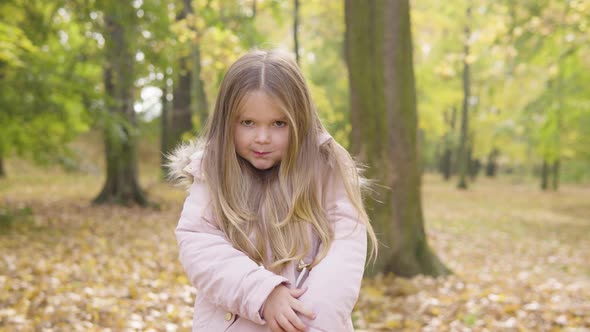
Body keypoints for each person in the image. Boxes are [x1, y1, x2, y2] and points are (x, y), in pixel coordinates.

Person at [167, 49, 377, 332]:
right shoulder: (212, 174)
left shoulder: (328, 172)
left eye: (279, 124)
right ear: (227, 122)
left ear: (300, 122)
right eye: (248, 123)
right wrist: (264, 293)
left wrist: (308, 322)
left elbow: (343, 255)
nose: (262, 138)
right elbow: (200, 245)